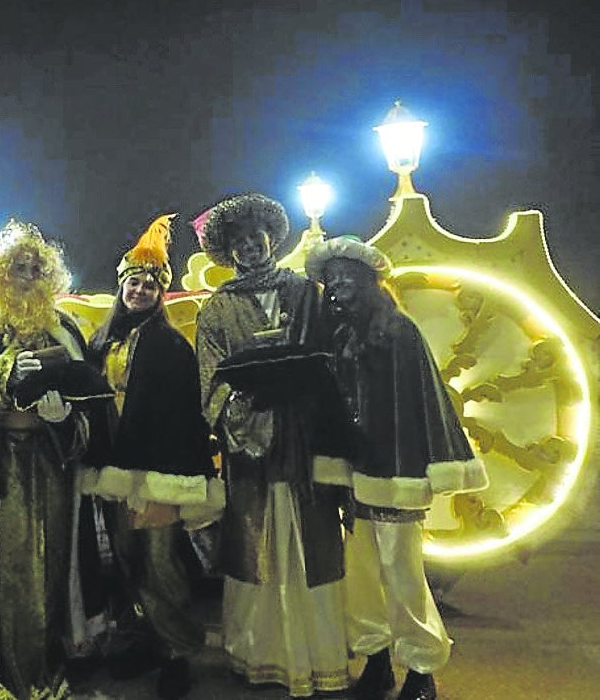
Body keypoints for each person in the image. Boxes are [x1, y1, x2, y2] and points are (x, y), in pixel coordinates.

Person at [306, 237, 487, 700]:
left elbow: (421, 405)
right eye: (333, 279)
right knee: (361, 574)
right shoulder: (337, 335)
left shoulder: (399, 333)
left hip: (393, 471)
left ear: (369, 283)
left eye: (349, 278)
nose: (340, 286)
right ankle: (377, 659)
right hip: (353, 472)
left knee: (402, 576)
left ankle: (423, 668)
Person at [192, 192, 350, 697]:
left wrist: (304, 396)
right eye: (237, 243)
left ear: (269, 238)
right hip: (250, 448)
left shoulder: (306, 292)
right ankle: (259, 655)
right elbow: (210, 381)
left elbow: (332, 359)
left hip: (304, 440)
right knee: (255, 546)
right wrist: (247, 410)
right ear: (228, 251)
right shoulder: (217, 308)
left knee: (313, 541)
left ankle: (319, 655)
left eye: (254, 238)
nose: (248, 249)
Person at [0, 220, 105, 700]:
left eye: (34, 269)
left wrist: (60, 413)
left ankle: (49, 658)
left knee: (53, 562)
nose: (26, 276)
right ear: (1, 274)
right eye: (17, 268)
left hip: (52, 464)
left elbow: (89, 407)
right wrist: (3, 380)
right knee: (8, 567)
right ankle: (6, 667)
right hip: (0, 465)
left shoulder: (63, 328)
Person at [83, 215, 225, 700]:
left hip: (156, 474)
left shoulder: (170, 346)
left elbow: (184, 417)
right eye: (133, 281)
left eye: (150, 284)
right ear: (121, 286)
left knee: (160, 564)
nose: (140, 289)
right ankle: (141, 638)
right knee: (125, 563)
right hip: (115, 474)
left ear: (161, 293)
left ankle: (178, 652)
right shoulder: (101, 343)